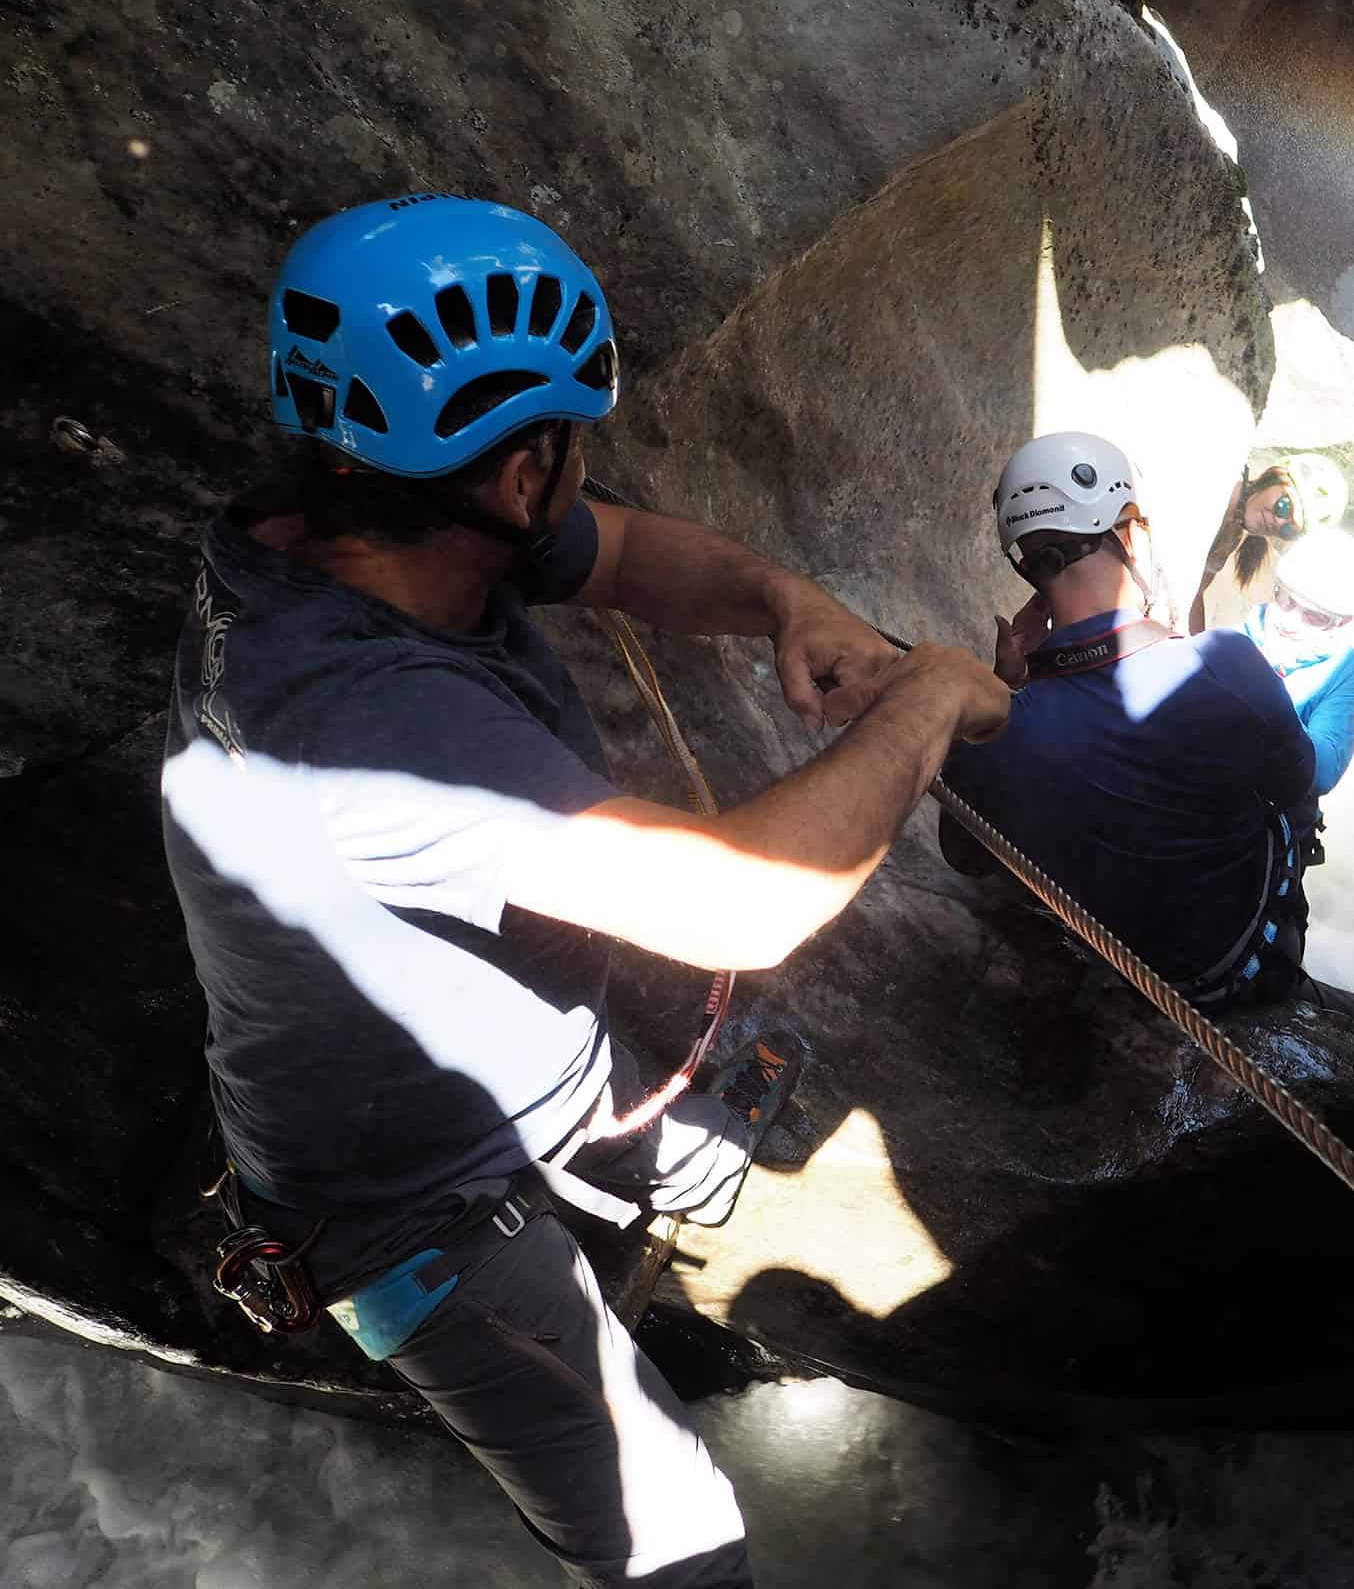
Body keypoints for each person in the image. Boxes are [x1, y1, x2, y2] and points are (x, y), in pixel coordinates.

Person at [160, 194, 1010, 1588]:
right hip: (402, 1206)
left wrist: (785, 597)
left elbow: (613, 550)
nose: (575, 475)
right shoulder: (367, 724)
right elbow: (738, 904)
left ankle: (639, 1173)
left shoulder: (348, 521)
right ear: (512, 473)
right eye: (565, 444)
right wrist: (921, 707)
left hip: (492, 1069)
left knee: (743, 1129)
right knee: (683, 1548)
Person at [937, 431, 1354, 1147]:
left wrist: (1012, 685)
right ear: (1131, 530)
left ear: (1027, 567)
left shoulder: (999, 727)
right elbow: (1298, 783)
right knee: (1287, 962)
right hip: (1237, 967)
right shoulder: (1228, 666)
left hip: (1115, 944)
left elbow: (965, 852)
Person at [1243, 528, 1354, 865]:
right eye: (1285, 599)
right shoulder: (1235, 637)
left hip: (1270, 836)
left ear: (1342, 622)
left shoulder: (1345, 668)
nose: (1290, 622)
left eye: (1314, 617)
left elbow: (1326, 766)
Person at [1188, 451, 1348, 631]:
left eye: (1288, 530)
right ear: (1275, 476)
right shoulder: (1210, 480)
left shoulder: (1232, 537)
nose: (1278, 522)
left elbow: (1193, 594)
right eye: (1284, 507)